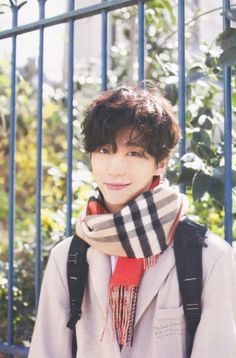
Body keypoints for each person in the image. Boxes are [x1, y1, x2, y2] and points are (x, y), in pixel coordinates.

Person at [29, 85, 236, 358]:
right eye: (104, 150)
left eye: (134, 153)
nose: (115, 168)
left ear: (161, 162)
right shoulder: (68, 256)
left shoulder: (209, 257)